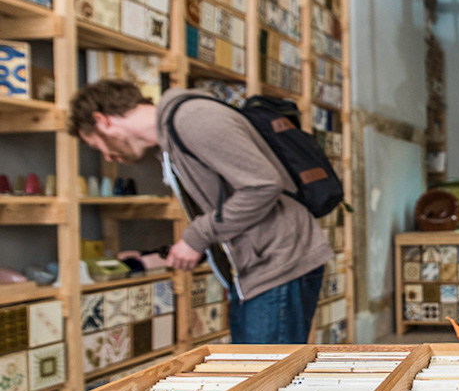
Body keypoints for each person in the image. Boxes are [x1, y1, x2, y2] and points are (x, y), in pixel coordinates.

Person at [68, 80, 333, 344]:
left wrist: (197, 237)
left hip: (279, 264)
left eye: (96, 145)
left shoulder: (193, 120)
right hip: (256, 271)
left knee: (266, 380)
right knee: (251, 375)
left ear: (102, 121)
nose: (107, 157)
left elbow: (263, 185)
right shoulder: (173, 137)